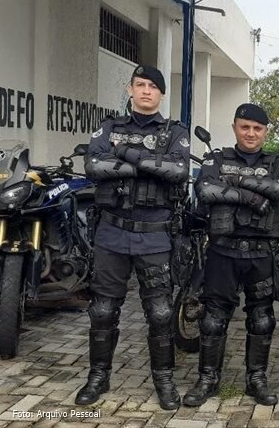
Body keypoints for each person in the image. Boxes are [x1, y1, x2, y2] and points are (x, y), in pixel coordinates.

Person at [77, 65, 190, 410]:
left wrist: (124, 154)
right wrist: (150, 165)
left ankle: (164, 381)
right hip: (111, 232)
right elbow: (93, 166)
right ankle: (98, 377)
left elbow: (178, 171)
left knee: (160, 312)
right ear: (130, 89)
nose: (146, 91)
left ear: (161, 94)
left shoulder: (175, 132)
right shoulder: (109, 128)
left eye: (153, 86)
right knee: (102, 310)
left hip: (154, 236)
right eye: (140, 84)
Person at [183, 103, 279, 407]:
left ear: (265, 131)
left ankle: (256, 379)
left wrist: (235, 182)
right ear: (234, 127)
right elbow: (205, 189)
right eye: (245, 127)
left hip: (263, 253)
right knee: (212, 319)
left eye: (257, 128)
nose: (251, 133)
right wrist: (250, 195)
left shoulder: (277, 162)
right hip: (223, 251)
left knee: (262, 319)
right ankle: (208, 379)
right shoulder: (217, 159)